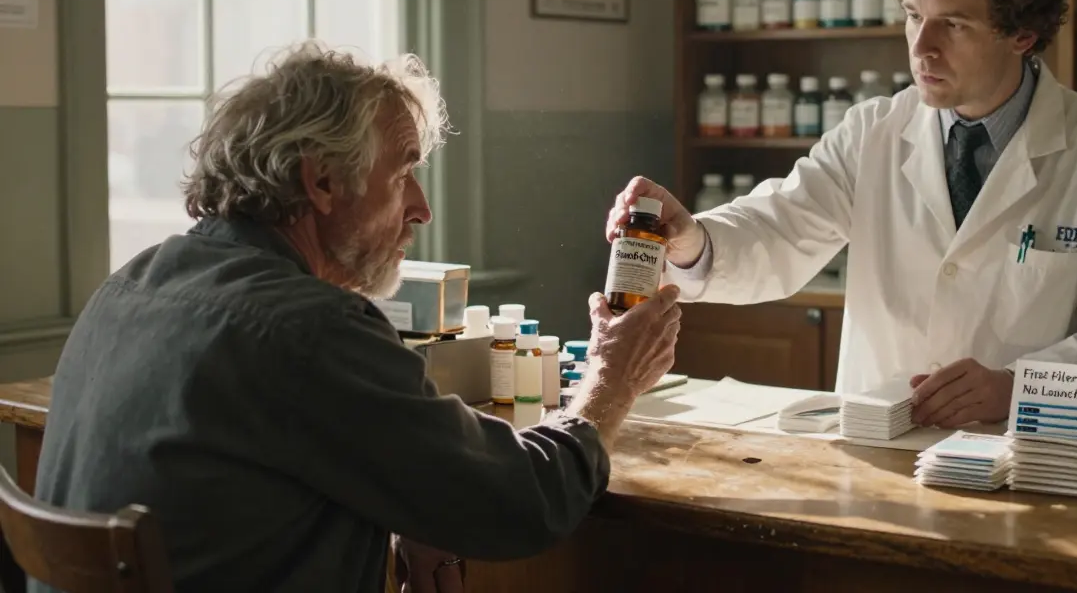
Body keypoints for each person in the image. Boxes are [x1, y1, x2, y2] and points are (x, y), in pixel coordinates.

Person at [33, 42, 681, 593]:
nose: (422, 209)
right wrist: (608, 382)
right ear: (320, 183)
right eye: (404, 174)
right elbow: (523, 504)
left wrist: (400, 519)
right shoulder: (309, 328)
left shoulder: (129, 285)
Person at [607, 0, 1077, 428]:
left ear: (1023, 34)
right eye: (914, 15)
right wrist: (691, 239)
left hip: (1024, 458)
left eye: (953, 24)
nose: (921, 46)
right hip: (875, 448)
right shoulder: (874, 131)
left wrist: (1018, 388)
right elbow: (782, 225)